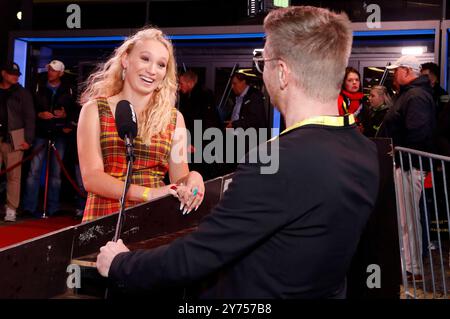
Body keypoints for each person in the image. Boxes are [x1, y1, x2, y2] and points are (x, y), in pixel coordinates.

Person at [96, 6, 379, 299]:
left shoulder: (275, 161)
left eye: (263, 60)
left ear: (281, 72)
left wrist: (120, 263)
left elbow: (195, 259)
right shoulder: (365, 151)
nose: (262, 69)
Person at [77, 27, 204, 223]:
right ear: (125, 60)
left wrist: (193, 179)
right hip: (105, 218)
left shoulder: (174, 118)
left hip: (153, 219)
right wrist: (149, 194)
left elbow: (179, 177)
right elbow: (92, 178)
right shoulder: (94, 110)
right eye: (145, 59)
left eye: (161, 65)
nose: (152, 70)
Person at [379, 55, 436, 281]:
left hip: (409, 166)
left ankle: (412, 268)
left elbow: (419, 133)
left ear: (406, 71)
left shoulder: (415, 96)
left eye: (396, 71)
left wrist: (400, 152)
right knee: (406, 218)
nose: (394, 75)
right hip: (405, 164)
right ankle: (409, 266)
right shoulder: (411, 94)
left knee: (408, 218)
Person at [22, 60, 75, 217]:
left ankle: (53, 208)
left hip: (59, 133)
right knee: (34, 171)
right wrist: (40, 115)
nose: (51, 72)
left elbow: (75, 110)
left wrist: (66, 117)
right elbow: (30, 108)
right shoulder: (37, 85)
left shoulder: (69, 89)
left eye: (54, 70)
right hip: (41, 132)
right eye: (50, 69)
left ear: (61, 73)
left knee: (56, 173)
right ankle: (29, 208)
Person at [0, 62, 35, 222]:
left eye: (17, 74)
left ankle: (11, 209)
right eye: (12, 73)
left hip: (15, 138)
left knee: (14, 176)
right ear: (3, 74)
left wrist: (28, 139)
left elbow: (29, 117)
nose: (15, 76)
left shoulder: (22, 93)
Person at [178, 70, 221, 180]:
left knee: (202, 173)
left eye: (181, 84)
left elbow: (204, 122)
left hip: (202, 143)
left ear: (190, 83)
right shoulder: (190, 96)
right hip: (200, 142)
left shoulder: (201, 96)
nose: (179, 87)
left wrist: (196, 143)